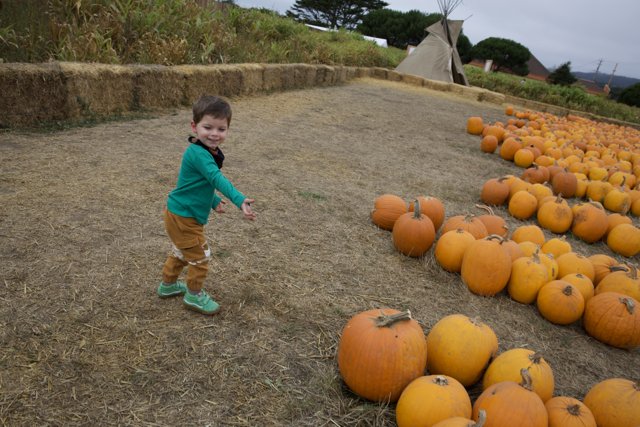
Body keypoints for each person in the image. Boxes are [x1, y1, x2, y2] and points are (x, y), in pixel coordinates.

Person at [157, 95, 256, 315]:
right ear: (194, 126)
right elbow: (215, 178)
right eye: (208, 127)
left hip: (180, 213)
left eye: (221, 129)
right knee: (200, 257)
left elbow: (196, 182)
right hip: (185, 218)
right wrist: (239, 199)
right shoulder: (199, 153)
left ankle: (168, 285)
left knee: (182, 252)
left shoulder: (202, 151)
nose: (214, 134)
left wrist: (212, 200)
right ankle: (194, 295)